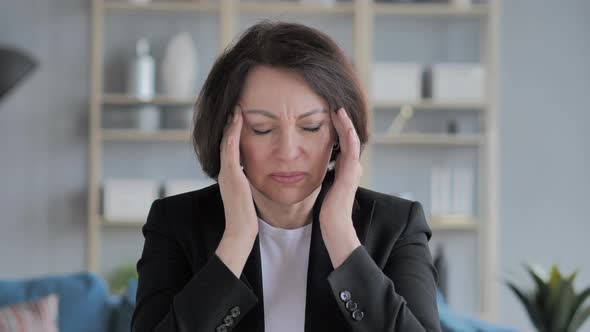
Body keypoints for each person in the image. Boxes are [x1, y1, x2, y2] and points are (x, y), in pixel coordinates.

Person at [131, 20, 441, 332]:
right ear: (229, 135)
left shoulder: (398, 226)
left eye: (310, 127)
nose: (288, 151)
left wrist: (340, 235)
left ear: (339, 134)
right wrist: (236, 241)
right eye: (262, 129)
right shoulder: (174, 223)